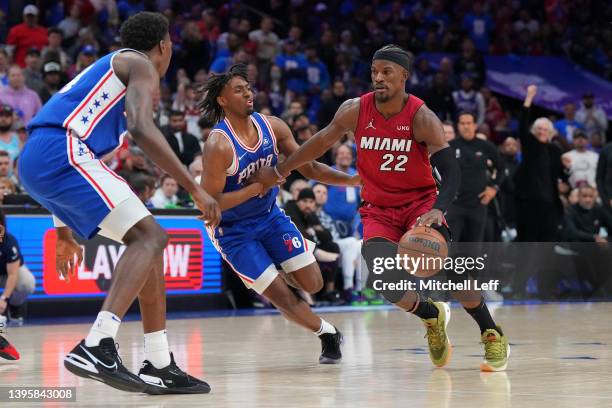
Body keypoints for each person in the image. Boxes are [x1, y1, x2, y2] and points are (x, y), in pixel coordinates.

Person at [252, 44, 510, 372]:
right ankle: (431, 317)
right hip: (378, 209)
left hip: (420, 204)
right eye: (374, 71)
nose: (378, 77)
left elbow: (452, 171)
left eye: (386, 72)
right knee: (385, 281)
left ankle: (490, 330)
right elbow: (318, 143)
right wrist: (281, 169)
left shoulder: (421, 117)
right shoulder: (354, 109)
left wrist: (439, 208)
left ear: (404, 76)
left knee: (451, 274)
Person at [19, 12, 219, 394]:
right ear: (164, 46)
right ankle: (98, 343)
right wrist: (193, 188)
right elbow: (142, 129)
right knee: (151, 237)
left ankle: (159, 362)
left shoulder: (109, 76)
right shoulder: (138, 62)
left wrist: (62, 230)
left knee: (149, 243)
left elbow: (62, 157)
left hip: (43, 158)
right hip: (62, 149)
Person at [198, 64, 358, 364]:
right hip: (233, 231)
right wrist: (258, 185)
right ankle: (327, 334)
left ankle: (278, 264)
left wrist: (351, 179)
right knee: (282, 297)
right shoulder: (218, 145)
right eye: (238, 89)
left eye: (248, 87)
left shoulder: (273, 126)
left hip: (270, 216)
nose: (248, 93)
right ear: (222, 99)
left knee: (313, 284)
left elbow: (308, 166)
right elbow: (210, 204)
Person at [447, 111, 504, 242]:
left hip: (478, 205)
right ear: (458, 126)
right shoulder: (450, 147)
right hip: (454, 205)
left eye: (469, 123)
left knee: (473, 250)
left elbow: (501, 168)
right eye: (462, 123)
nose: (466, 126)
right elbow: (438, 171)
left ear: (475, 125)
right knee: (449, 247)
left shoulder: (486, 146)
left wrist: (494, 188)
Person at [0, 211, 35, 325]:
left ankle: (14, 305)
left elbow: (13, 274)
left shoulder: (9, 242)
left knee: (27, 283)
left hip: (8, 273)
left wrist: (4, 298)